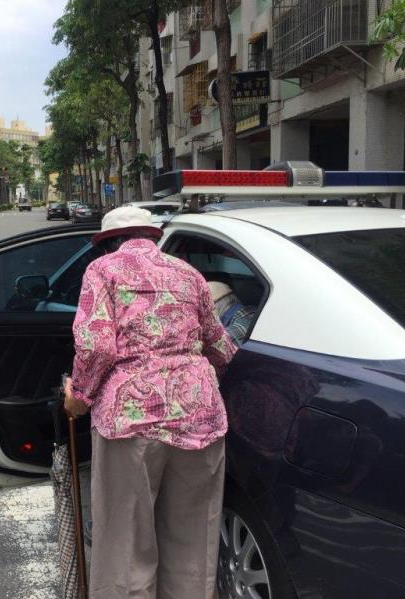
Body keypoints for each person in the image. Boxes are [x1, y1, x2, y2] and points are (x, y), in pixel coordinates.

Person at [63, 206, 237, 599]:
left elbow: (96, 346)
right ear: (155, 236)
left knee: (126, 543)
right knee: (194, 538)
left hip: (131, 420)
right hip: (199, 417)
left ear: (106, 244)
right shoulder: (189, 274)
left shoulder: (103, 270)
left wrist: (80, 397)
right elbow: (221, 345)